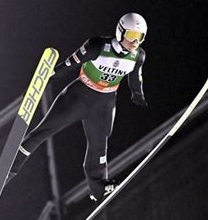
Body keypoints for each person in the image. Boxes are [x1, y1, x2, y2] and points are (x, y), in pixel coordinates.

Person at [8, 13, 148, 202]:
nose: (135, 42)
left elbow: (135, 77)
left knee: (99, 148)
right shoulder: (97, 46)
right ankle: (10, 170)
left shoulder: (138, 56)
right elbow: (68, 64)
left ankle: (98, 188)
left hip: (104, 105)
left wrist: (137, 95)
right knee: (44, 130)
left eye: (140, 37)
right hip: (79, 97)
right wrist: (43, 81)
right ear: (120, 32)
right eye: (131, 35)